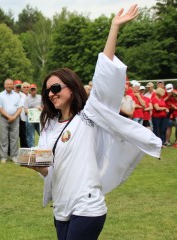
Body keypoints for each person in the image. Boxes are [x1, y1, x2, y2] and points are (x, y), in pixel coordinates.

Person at [25, 5, 161, 239]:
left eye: (56, 88)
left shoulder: (88, 117)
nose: (51, 93)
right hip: (61, 207)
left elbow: (105, 76)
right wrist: (39, 167)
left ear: (72, 87)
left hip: (87, 206)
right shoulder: (47, 127)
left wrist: (114, 28)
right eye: (47, 91)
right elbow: (51, 170)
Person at [0, 79, 22, 163]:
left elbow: (20, 108)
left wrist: (13, 117)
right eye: (8, 84)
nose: (9, 86)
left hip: (15, 118)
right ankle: (3, 157)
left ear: (13, 85)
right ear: (4, 85)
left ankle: (14, 156)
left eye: (11, 84)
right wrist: (8, 116)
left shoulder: (17, 95)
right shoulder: (0, 95)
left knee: (14, 138)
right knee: (3, 138)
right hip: (4, 118)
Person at [14, 80, 28, 148]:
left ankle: (24, 149)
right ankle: (11, 151)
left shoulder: (23, 95)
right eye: (17, 86)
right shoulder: (11, 94)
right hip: (14, 117)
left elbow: (25, 105)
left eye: (20, 86)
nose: (18, 87)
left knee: (23, 134)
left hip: (22, 117)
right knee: (13, 135)